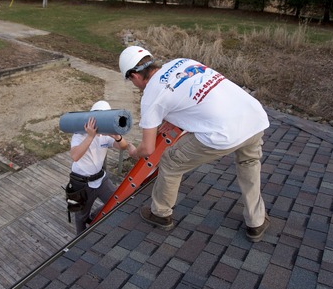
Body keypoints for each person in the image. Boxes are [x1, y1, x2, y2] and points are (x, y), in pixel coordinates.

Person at [120, 46, 270, 242]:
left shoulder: (151, 96)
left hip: (223, 133)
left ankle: (160, 213)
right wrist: (173, 119)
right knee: (249, 163)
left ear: (134, 76)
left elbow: (148, 149)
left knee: (170, 162)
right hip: (253, 117)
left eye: (131, 81)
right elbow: (196, 96)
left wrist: (134, 152)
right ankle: (256, 222)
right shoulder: (182, 62)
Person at [69, 100, 136, 234]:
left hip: (100, 178)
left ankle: (94, 217)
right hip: (81, 182)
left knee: (118, 201)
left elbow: (122, 146)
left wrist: (117, 136)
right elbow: (75, 156)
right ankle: (80, 239)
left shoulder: (106, 134)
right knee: (80, 217)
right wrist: (90, 136)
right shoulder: (79, 134)